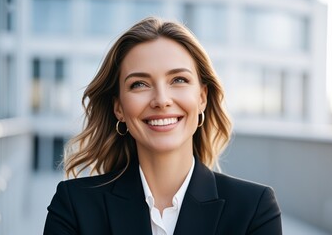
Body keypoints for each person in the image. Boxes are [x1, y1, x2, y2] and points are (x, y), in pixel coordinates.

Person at [44, 17, 282, 235]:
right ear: (119, 108)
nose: (161, 100)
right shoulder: (74, 205)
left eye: (178, 80)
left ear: (202, 98)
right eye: (139, 84)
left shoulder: (254, 208)